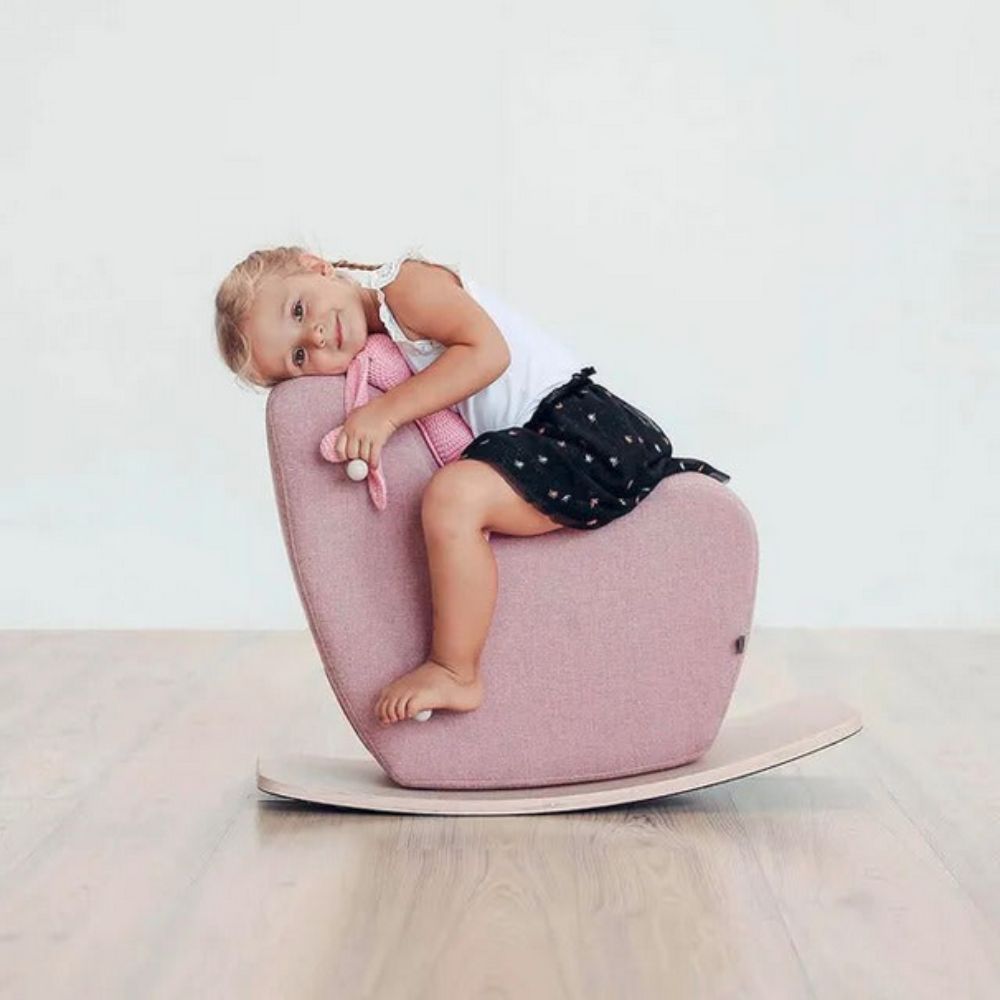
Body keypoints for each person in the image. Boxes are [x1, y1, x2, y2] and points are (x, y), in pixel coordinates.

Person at [214, 245, 730, 727]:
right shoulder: (379, 334)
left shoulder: (405, 287)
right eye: (299, 359)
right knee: (456, 494)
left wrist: (384, 415)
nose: (317, 339)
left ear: (316, 265)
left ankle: (456, 670)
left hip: (582, 430)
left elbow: (489, 353)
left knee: (453, 497)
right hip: (541, 438)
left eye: (299, 311)